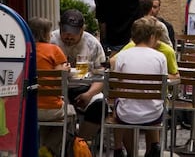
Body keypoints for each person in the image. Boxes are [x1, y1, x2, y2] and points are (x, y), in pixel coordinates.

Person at [112, 17, 168, 157]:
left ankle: (120, 149)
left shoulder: (121, 56)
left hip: (126, 114)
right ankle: (154, 146)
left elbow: (117, 83)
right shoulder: (160, 57)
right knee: (156, 102)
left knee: (120, 104)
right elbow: (163, 84)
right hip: (153, 113)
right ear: (152, 37)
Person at [50, 9, 106, 141]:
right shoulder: (51, 40)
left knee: (99, 105)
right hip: (57, 89)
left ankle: (80, 143)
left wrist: (89, 94)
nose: (69, 37)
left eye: (73, 34)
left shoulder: (92, 43)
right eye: (65, 33)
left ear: (82, 30)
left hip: (84, 87)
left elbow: (101, 75)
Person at [29, 17, 76, 156]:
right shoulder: (54, 50)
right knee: (71, 114)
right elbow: (60, 76)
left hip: (29, 108)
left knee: (46, 119)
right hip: (51, 109)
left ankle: (42, 148)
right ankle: (50, 149)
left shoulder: (25, 50)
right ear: (45, 34)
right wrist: (66, 70)